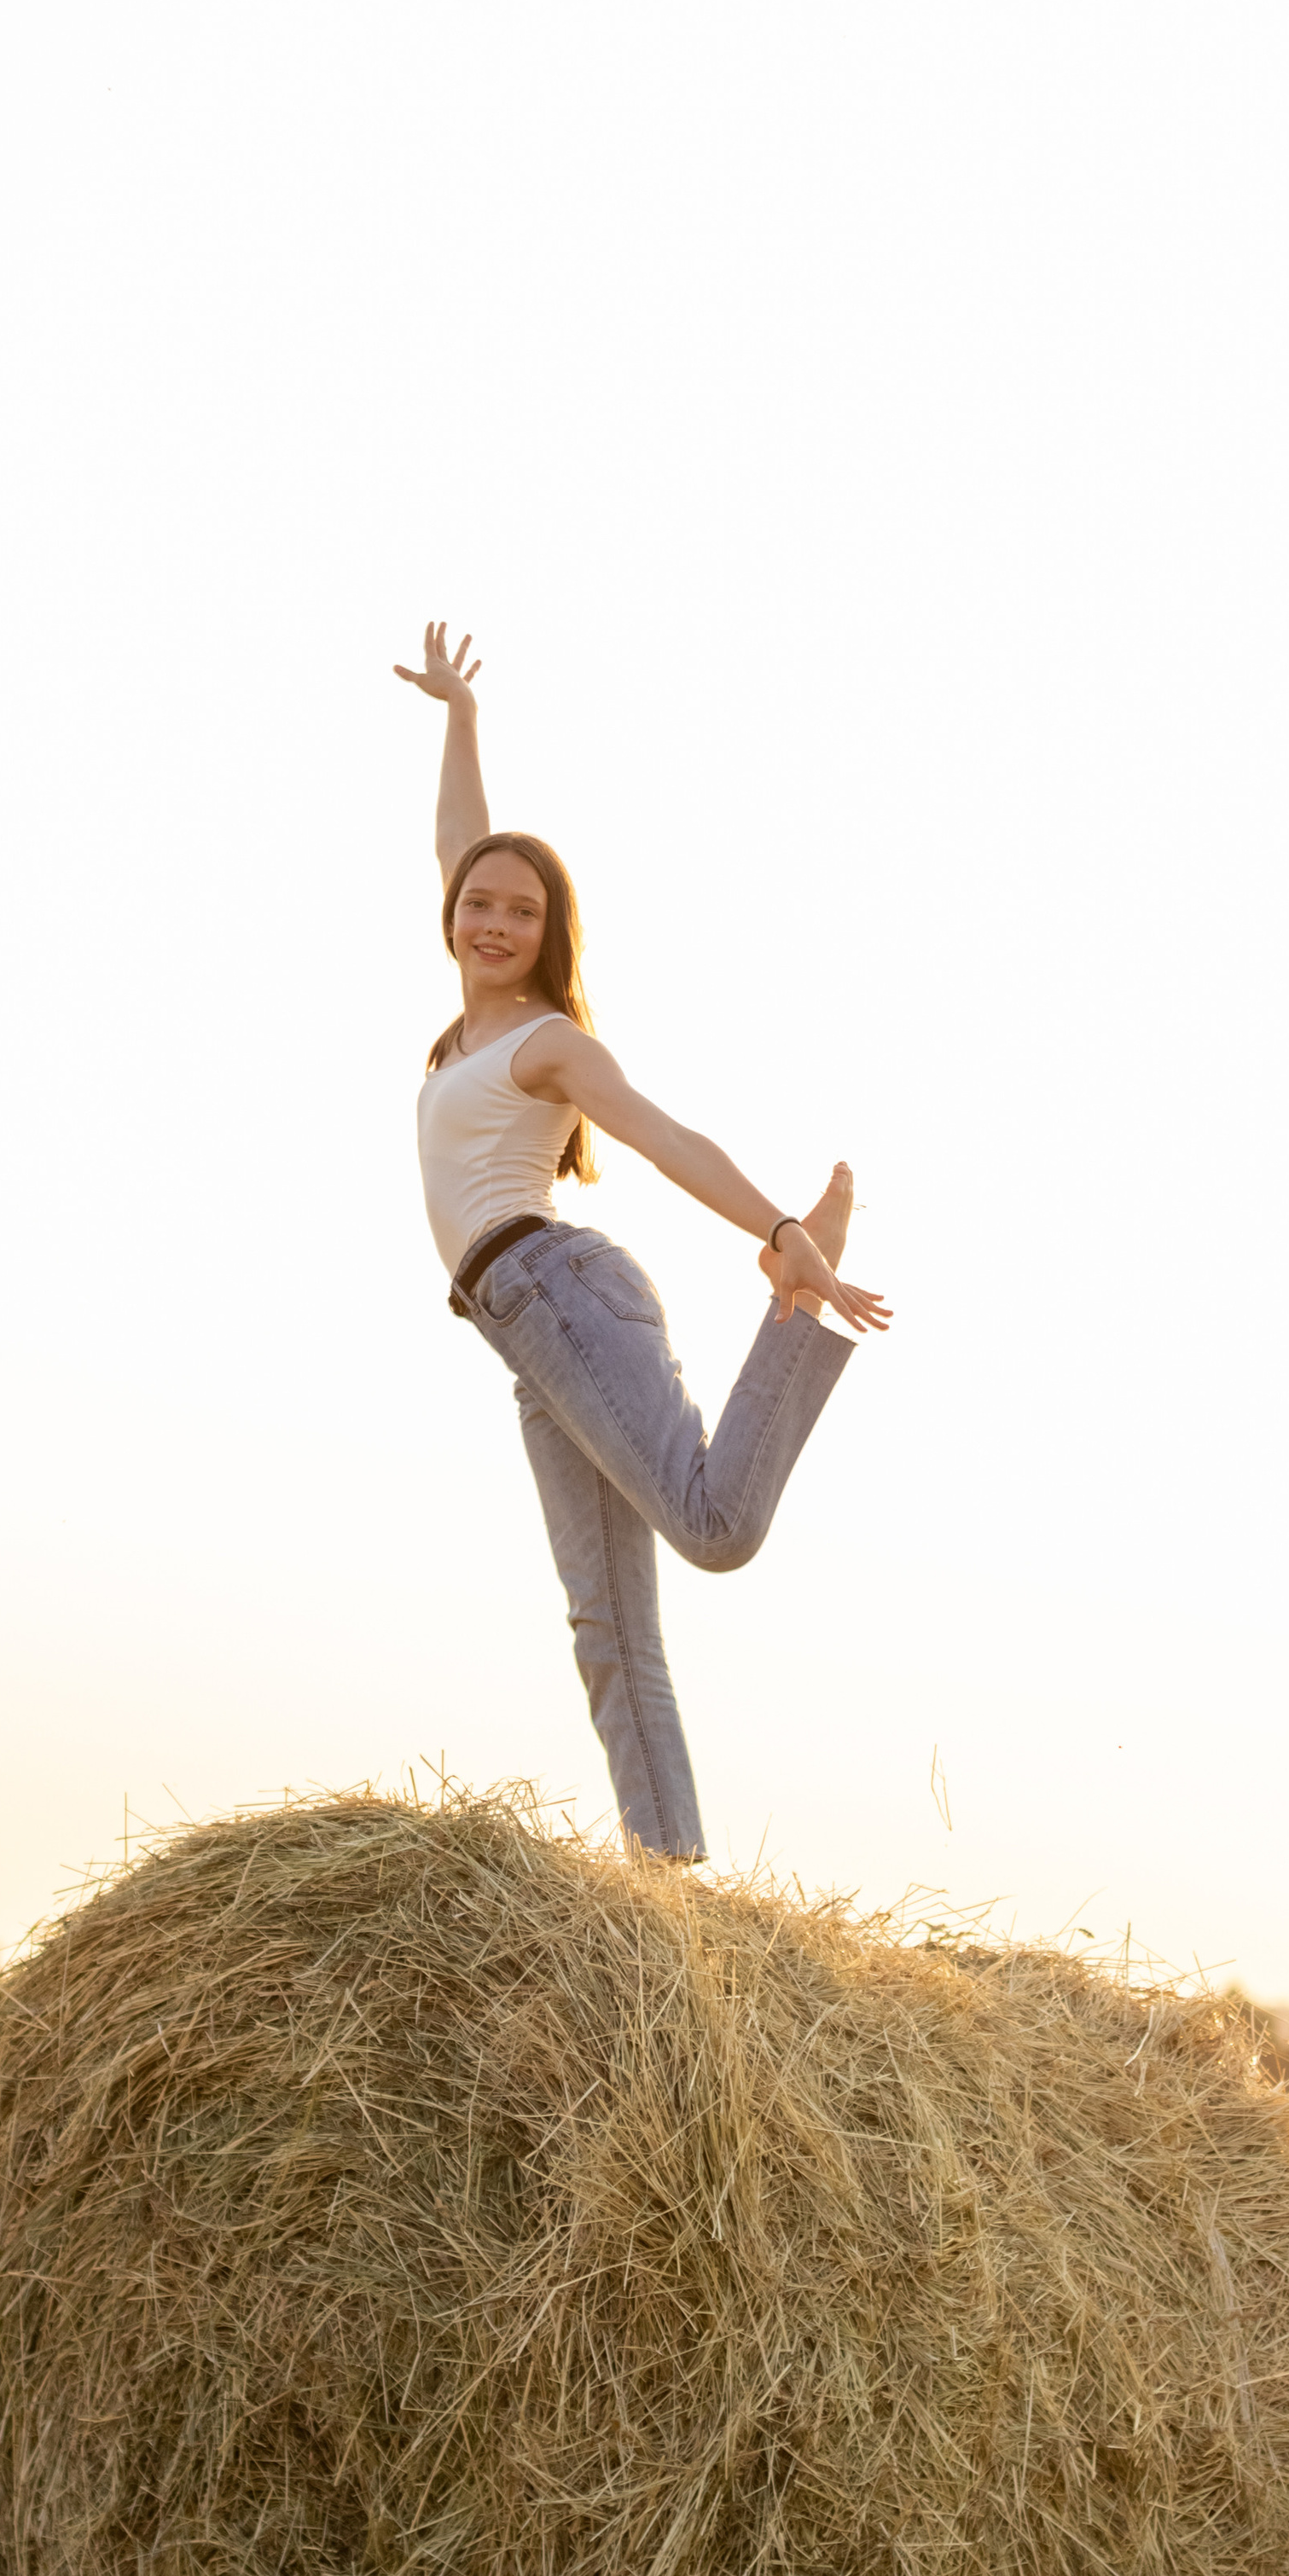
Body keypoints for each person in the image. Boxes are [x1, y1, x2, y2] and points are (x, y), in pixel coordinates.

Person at [397, 619, 891, 1864]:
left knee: (714, 1529)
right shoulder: (469, 1024)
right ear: (453, 914)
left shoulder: (548, 1043)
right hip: (524, 1331)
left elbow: (667, 1140)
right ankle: (669, 1895)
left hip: (555, 1286)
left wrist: (779, 1223)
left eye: (520, 910)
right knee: (607, 1626)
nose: (492, 919)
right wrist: (460, 718)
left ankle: (796, 1301)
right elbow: (465, 837)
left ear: (547, 932)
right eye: (478, 903)